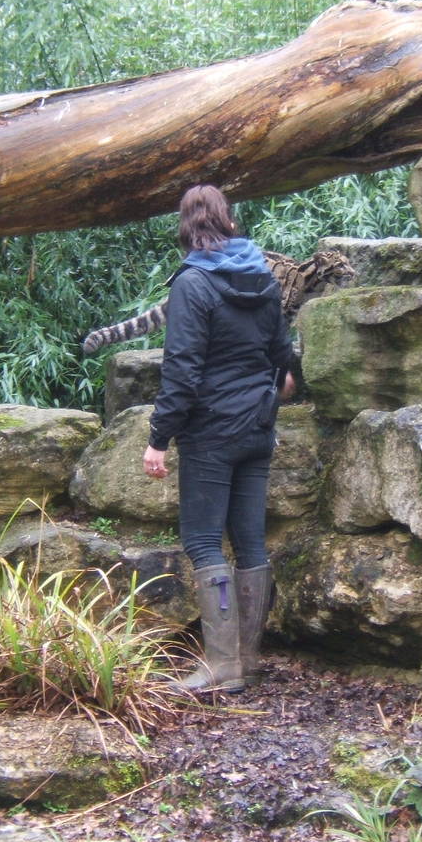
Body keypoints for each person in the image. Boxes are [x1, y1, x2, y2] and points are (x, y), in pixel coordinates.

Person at [142, 184, 294, 692]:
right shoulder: (263, 277)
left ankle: (222, 666)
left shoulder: (193, 283)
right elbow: (283, 355)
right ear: (229, 220)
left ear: (186, 228)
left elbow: (181, 370)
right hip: (257, 426)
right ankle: (247, 660)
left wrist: (159, 438)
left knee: (204, 541)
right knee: (250, 541)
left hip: (211, 430)